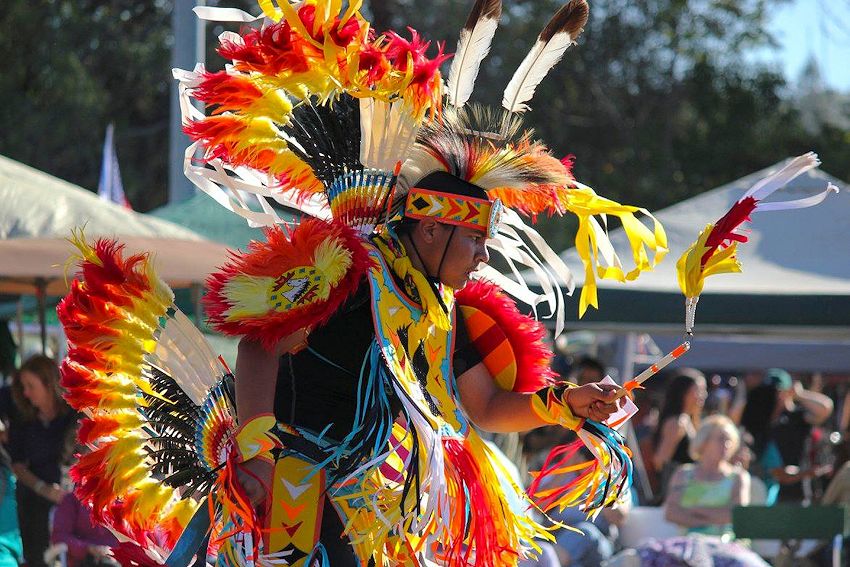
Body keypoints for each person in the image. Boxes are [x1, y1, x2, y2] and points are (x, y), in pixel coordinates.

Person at [57, 1, 668, 565]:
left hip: (373, 500)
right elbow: (258, 345)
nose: (482, 259)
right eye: (475, 241)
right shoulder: (346, 268)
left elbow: (481, 407)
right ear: (431, 232)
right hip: (292, 486)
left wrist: (564, 405)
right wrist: (255, 456)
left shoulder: (440, 307)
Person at [8, 354, 75, 567]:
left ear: (49, 383)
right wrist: (44, 489)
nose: (26, 393)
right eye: (23, 387)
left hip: (71, 501)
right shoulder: (23, 419)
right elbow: (17, 464)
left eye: (30, 386)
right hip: (33, 500)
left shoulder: (73, 414)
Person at [741, 369, 833, 504]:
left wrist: (799, 395)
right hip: (763, 496)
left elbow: (825, 408)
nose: (774, 396)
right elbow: (779, 473)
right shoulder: (757, 421)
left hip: (796, 495)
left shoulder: (796, 417)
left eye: (778, 392)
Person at [663, 415, 749, 538]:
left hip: (726, 545)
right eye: (721, 439)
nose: (727, 444)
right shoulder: (683, 473)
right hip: (687, 543)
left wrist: (694, 510)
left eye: (729, 440)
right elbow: (671, 512)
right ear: (704, 442)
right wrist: (706, 522)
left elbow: (737, 515)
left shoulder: (739, 476)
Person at [651, 369, 707, 501]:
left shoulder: (688, 420)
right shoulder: (677, 422)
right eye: (698, 390)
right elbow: (660, 461)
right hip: (676, 495)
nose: (703, 395)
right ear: (684, 393)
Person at [51, 491, 119, 567]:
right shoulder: (72, 500)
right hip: (86, 560)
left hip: (117, 559)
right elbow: (60, 536)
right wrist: (88, 548)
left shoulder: (123, 502)